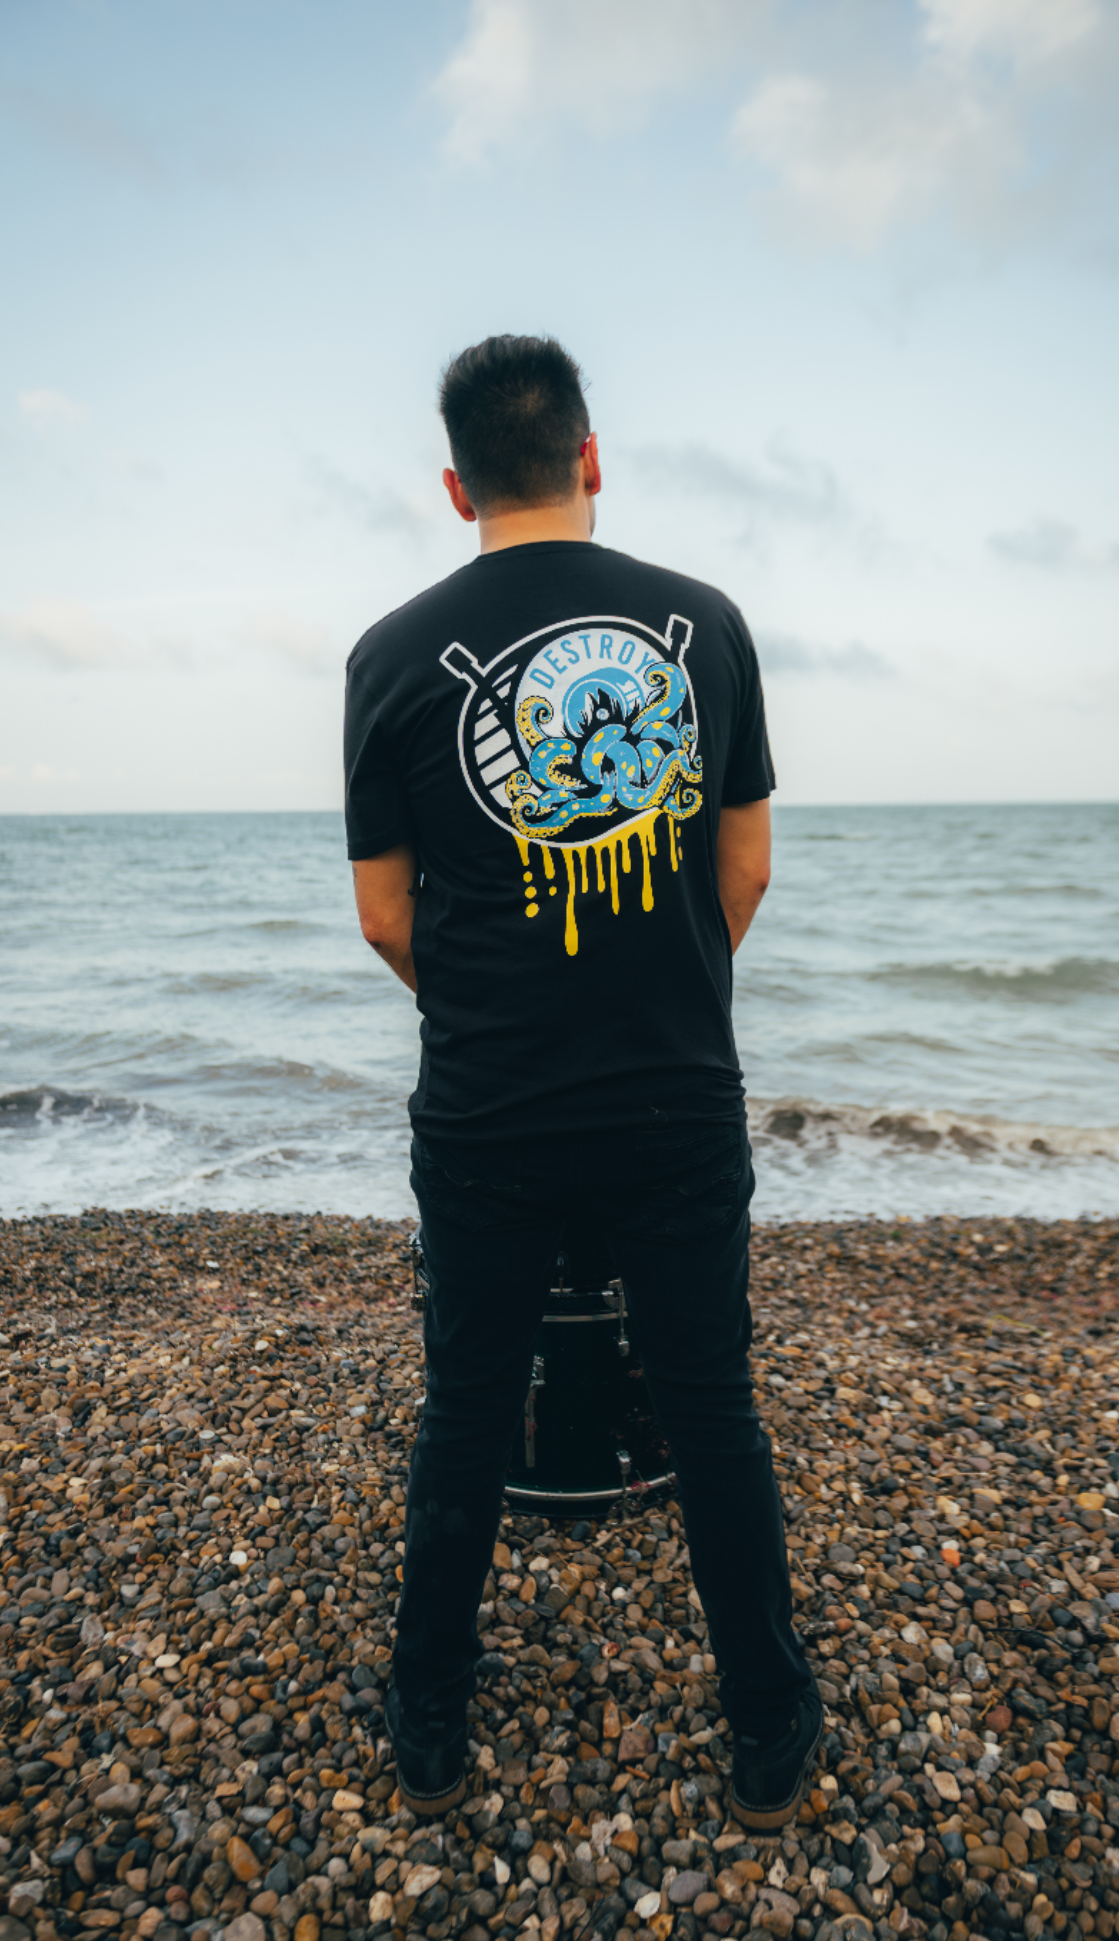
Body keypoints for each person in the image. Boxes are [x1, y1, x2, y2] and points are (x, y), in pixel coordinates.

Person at [343, 334, 820, 1829]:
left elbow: (384, 915)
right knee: (713, 1409)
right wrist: (655, 996)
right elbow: (744, 869)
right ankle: (768, 1728)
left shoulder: (389, 657)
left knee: (467, 1409)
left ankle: (430, 1723)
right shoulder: (708, 626)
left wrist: (499, 1011)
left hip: (486, 1111)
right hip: (673, 1098)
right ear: (592, 456)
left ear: (455, 486)